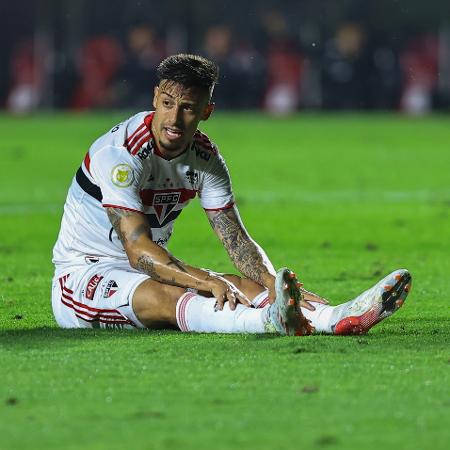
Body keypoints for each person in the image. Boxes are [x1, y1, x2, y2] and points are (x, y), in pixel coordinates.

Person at [51, 54, 412, 335]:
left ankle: (336, 318)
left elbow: (236, 242)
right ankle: (268, 323)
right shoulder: (120, 154)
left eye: (188, 107)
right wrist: (206, 279)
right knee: (180, 294)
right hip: (83, 279)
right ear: (155, 98)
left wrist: (276, 288)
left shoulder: (206, 159)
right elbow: (138, 251)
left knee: (243, 284)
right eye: (166, 103)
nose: (174, 119)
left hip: (145, 273)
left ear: (206, 111)